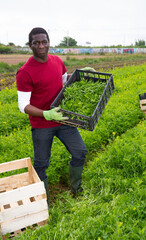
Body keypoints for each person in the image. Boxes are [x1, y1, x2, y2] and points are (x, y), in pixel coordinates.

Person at [16, 27, 87, 203]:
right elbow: (23, 105)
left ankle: (76, 189)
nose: (41, 46)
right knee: (41, 164)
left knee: (80, 152)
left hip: (63, 119)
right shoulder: (25, 72)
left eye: (44, 42)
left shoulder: (57, 61)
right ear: (30, 45)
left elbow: (64, 81)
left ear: (49, 43)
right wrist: (46, 114)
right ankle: (44, 202)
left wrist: (81, 73)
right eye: (36, 43)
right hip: (42, 125)